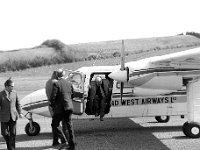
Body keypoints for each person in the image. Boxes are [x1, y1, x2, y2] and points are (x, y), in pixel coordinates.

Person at [50, 69, 76, 150]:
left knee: (54, 124)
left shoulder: (56, 84)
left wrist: (52, 105)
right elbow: (73, 95)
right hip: (69, 107)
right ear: (64, 75)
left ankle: (64, 140)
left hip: (61, 108)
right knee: (69, 126)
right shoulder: (69, 83)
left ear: (57, 75)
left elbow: (53, 97)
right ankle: (72, 146)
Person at [0, 78, 23, 150]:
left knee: (13, 134)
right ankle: (9, 145)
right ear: (6, 87)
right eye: (11, 86)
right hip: (4, 117)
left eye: (13, 86)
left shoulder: (15, 93)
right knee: (4, 133)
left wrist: (20, 112)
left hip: (13, 116)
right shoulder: (0, 94)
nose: (13, 88)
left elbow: (18, 104)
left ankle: (11, 148)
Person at [45, 71, 65, 146]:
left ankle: (55, 141)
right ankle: (63, 138)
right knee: (57, 124)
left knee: (54, 122)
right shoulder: (56, 82)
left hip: (50, 105)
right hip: (57, 105)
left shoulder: (48, 82)